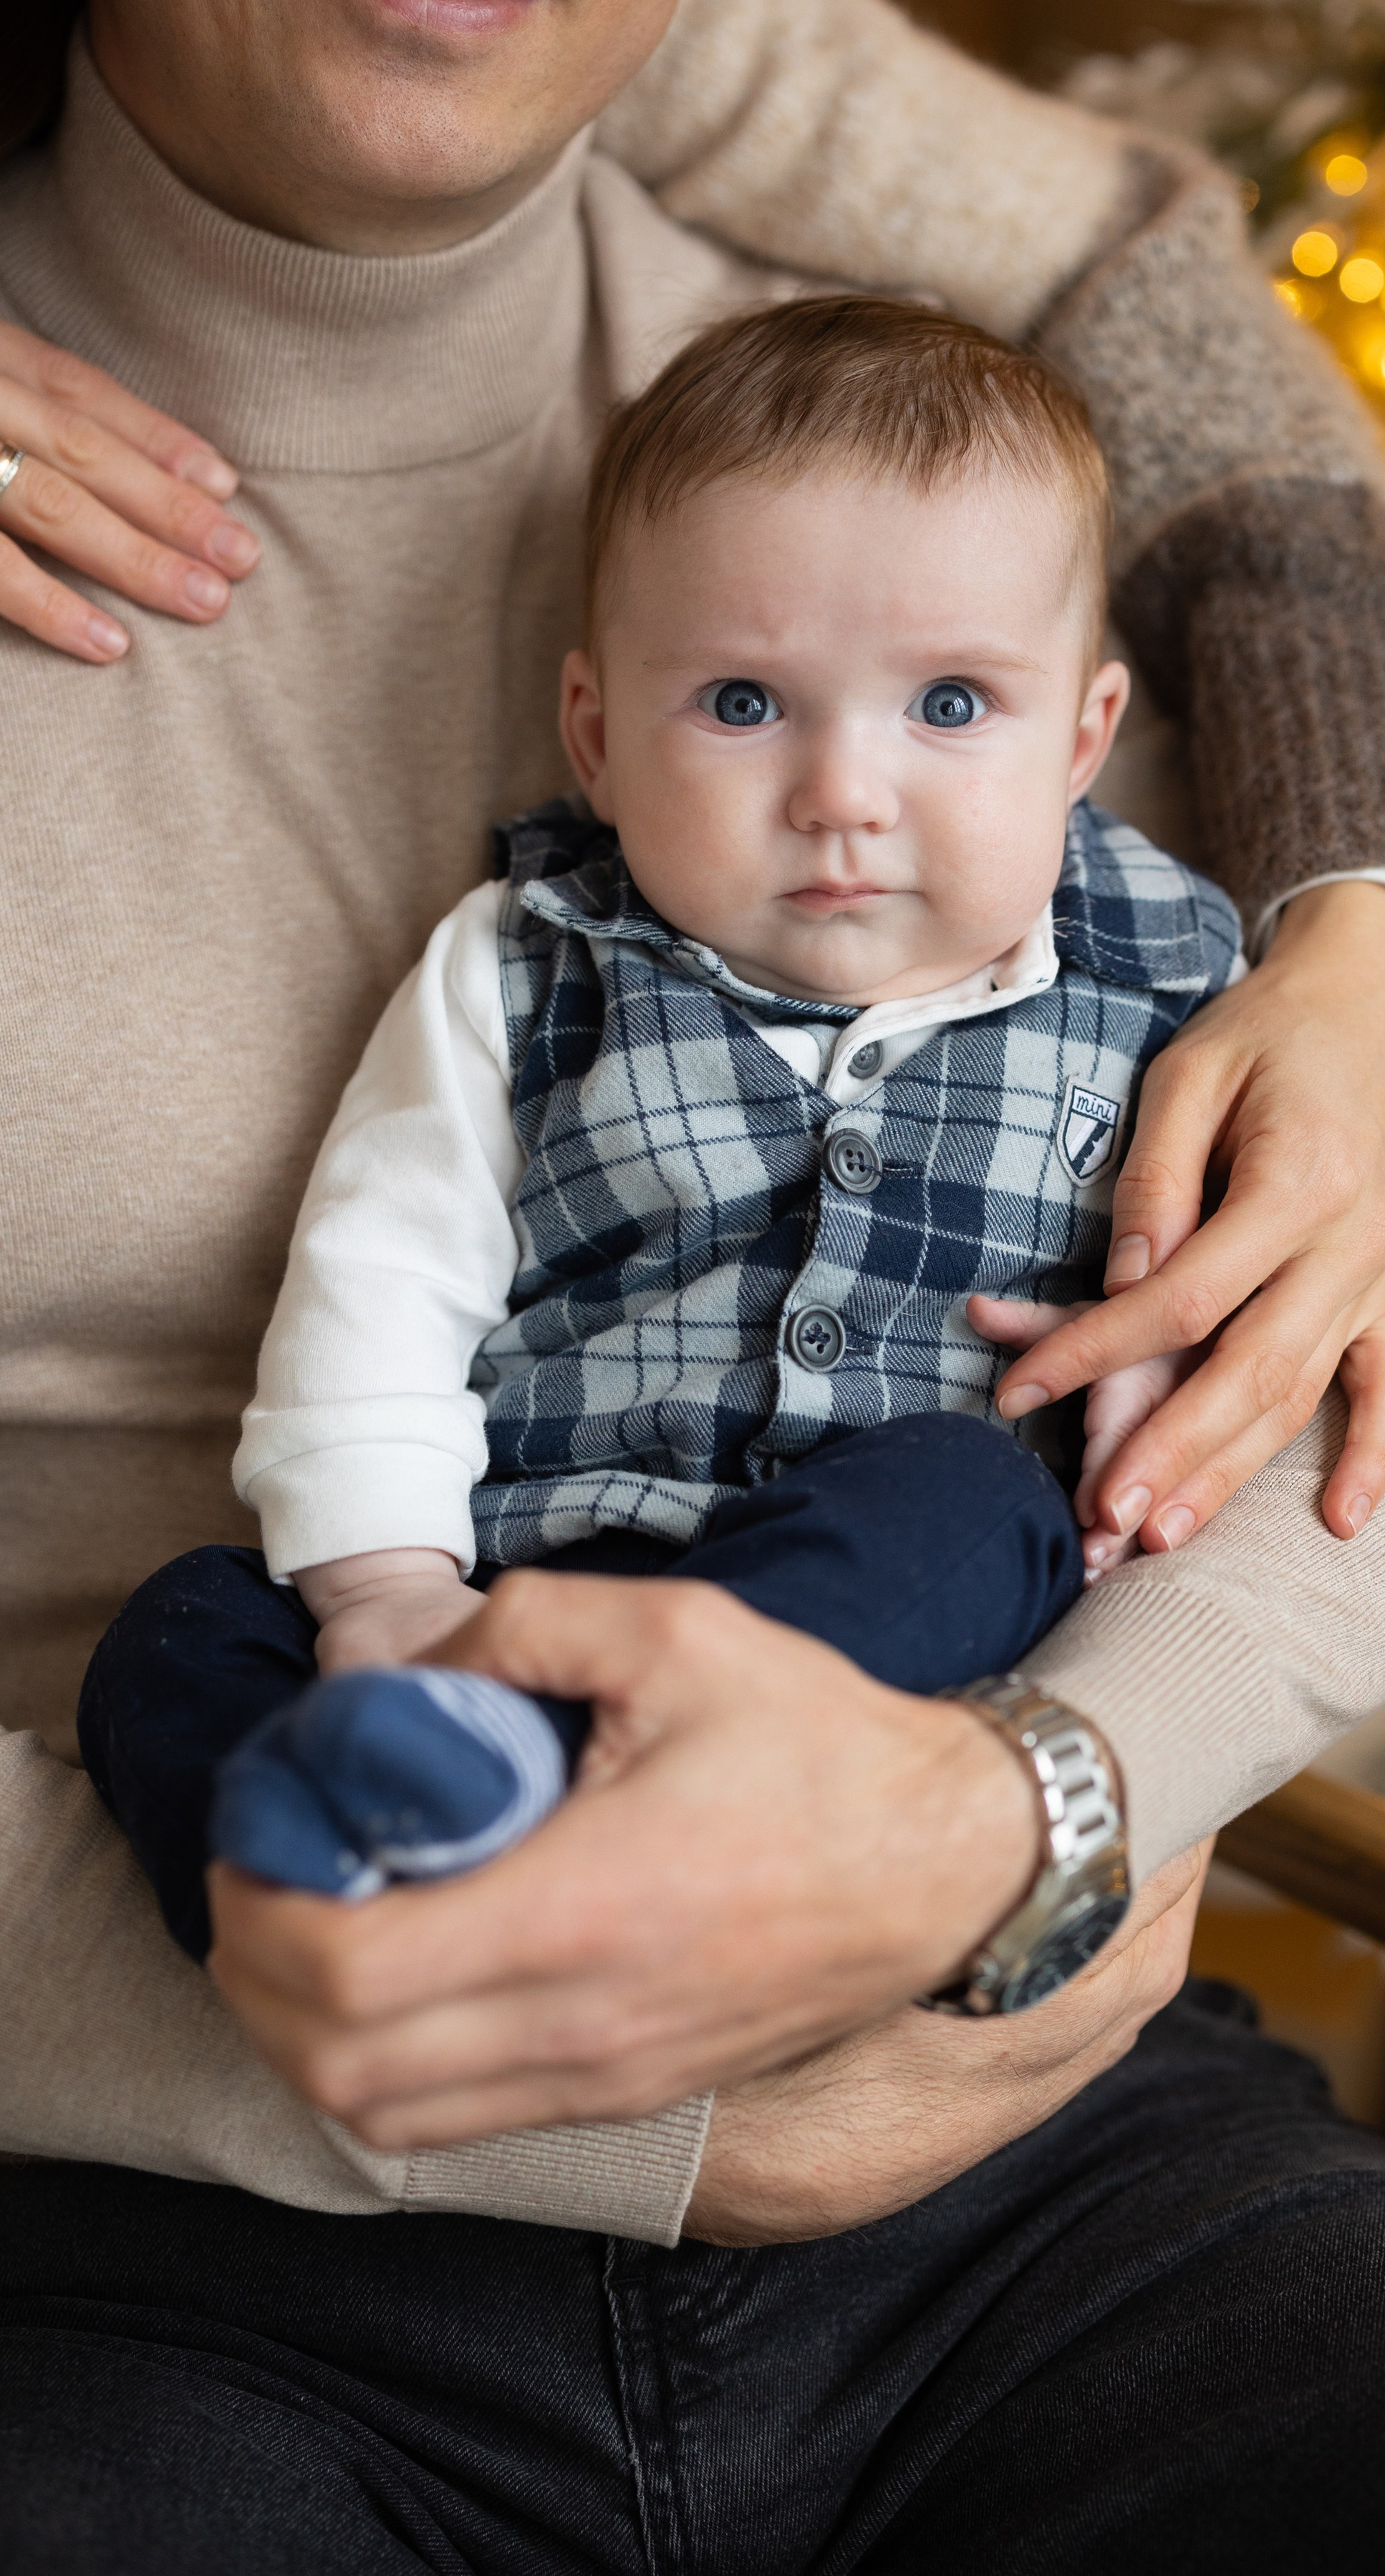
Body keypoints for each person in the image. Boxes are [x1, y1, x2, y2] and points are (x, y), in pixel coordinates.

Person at [7, 0, 1385, 2567]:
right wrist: (594, 2081)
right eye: (735, 713)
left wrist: (1026, 1817)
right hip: (154, 2190)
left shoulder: (899, 472)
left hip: (1026, 2149)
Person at [84, 296, 1247, 1949]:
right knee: (184, 1629)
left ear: (1081, 740)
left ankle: (560, 1830)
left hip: (875, 1635)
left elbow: (1254, 1225)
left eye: (949, 707)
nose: (845, 791)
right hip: (513, 1599)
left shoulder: (1171, 966)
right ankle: (341, 1900)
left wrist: (1163, 1354)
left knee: (970, 1497)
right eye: (743, 705)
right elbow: (380, 1278)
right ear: (598, 736)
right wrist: (386, 1592)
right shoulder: (523, 955)